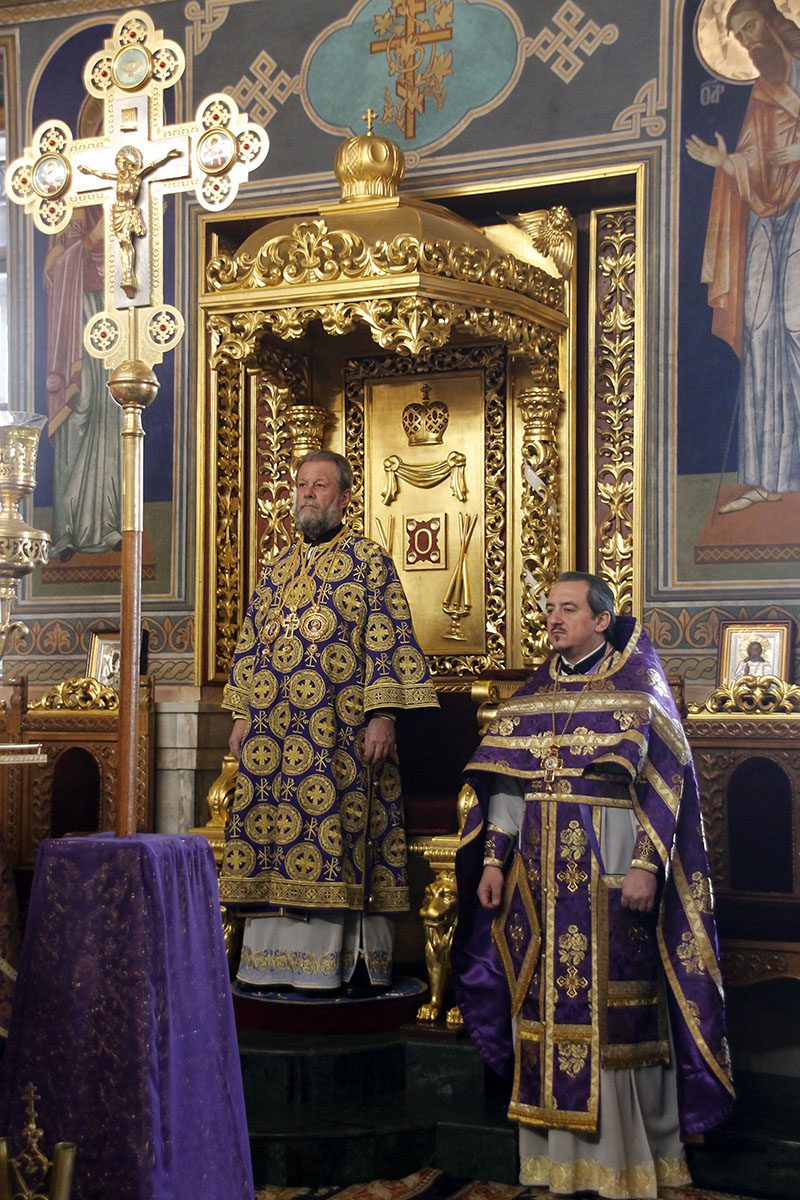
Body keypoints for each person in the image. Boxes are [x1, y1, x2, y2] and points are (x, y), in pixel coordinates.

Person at [453, 572, 734, 1199]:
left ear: (602, 620)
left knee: (614, 1012)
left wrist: (645, 866)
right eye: (550, 608)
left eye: (569, 609)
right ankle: (552, 1162)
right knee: (541, 1006)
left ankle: (624, 1162)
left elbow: (667, 786)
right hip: (538, 886)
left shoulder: (639, 691)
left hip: (609, 876)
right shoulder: (530, 696)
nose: (554, 619)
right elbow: (508, 788)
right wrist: (494, 862)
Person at [218, 450, 438, 992]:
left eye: (319, 486)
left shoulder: (368, 561)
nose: (307, 495)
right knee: (269, 836)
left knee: (332, 831)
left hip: (337, 735)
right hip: (271, 738)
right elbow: (251, 643)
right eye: (301, 486)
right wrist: (243, 714)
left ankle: (334, 967)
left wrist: (383, 714)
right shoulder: (276, 567)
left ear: (344, 497)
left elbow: (387, 638)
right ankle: (268, 965)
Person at [686, 0, 800, 513]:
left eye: (750, 27)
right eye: (738, 37)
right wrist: (725, 161)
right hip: (764, 215)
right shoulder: (761, 90)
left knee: (796, 324)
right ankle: (766, 478)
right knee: (758, 328)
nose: (749, 43)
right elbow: (756, 155)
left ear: (772, 19)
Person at [78, 144, 181, 296]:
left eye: (120, 163)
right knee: (122, 242)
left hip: (129, 212)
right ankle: (127, 272)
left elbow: (152, 166)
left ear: (127, 164)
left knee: (127, 242)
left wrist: (167, 156)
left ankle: (129, 273)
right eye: (117, 164)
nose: (118, 167)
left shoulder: (135, 177)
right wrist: (88, 171)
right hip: (118, 213)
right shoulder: (118, 178)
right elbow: (103, 174)